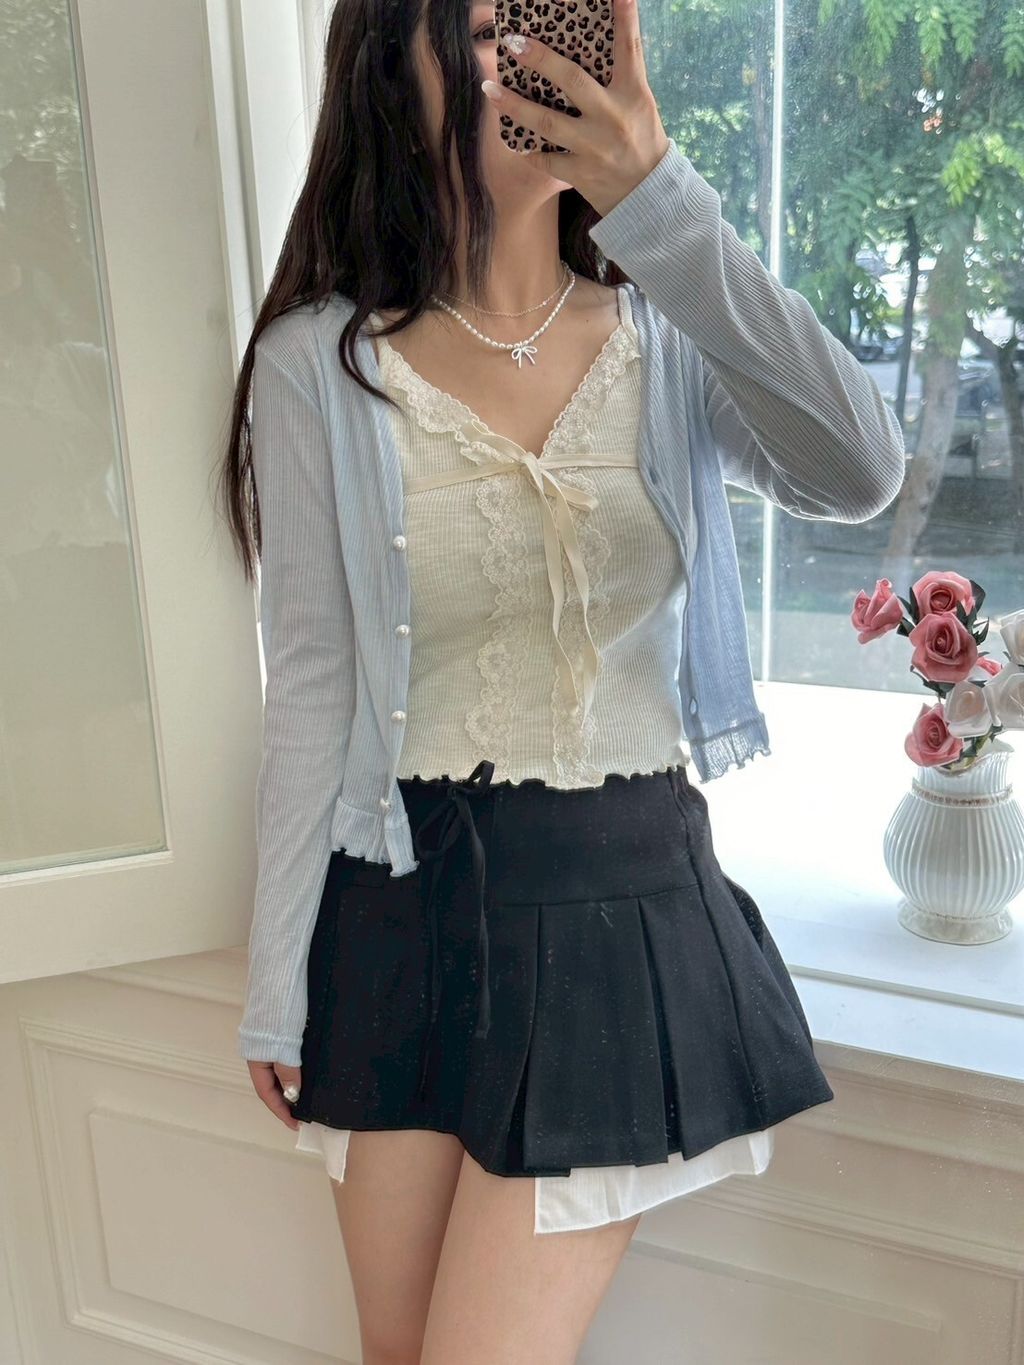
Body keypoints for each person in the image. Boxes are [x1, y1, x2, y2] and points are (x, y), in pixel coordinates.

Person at [218, 1, 905, 1360]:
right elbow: (311, 688)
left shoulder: (669, 340)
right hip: (393, 911)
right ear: (391, 66)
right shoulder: (319, 364)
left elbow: (859, 468)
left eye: (554, 26)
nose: (528, 63)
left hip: (613, 905)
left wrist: (662, 202)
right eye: (489, 29)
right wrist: (276, 981)